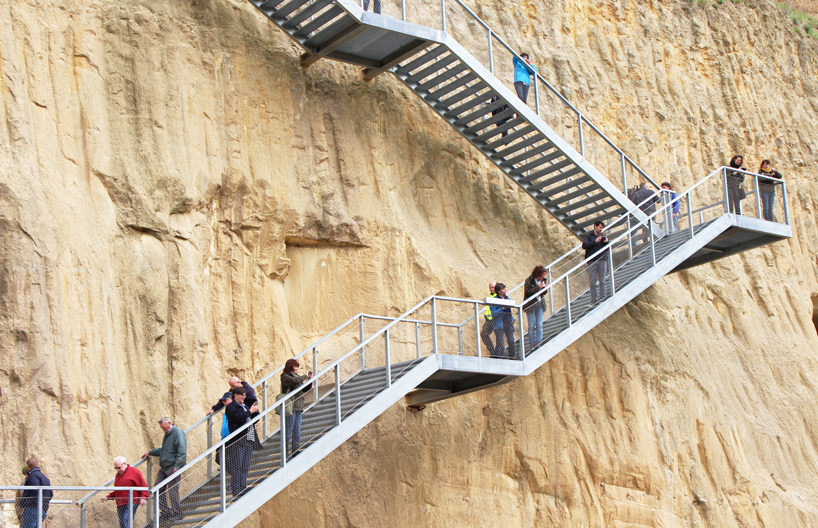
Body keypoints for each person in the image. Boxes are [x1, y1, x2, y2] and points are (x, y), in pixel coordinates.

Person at [142, 417, 186, 523]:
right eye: (161, 427)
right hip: (165, 467)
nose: (163, 429)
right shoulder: (167, 434)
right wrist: (150, 452)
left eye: (163, 427)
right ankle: (165, 512)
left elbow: (182, 449)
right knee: (157, 488)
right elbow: (164, 450)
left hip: (173, 467)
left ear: (169, 423)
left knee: (172, 491)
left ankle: (178, 514)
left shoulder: (177, 432)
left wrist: (178, 466)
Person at [225, 386, 260, 498]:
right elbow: (237, 418)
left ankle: (243, 487)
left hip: (249, 439)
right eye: (242, 395)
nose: (244, 397)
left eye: (245, 395)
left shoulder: (244, 406)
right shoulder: (231, 407)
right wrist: (250, 411)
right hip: (239, 439)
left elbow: (251, 419)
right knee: (237, 465)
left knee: (245, 465)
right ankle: (236, 489)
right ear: (235, 395)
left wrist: (255, 412)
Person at [102, 457, 148, 528]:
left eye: (119, 467)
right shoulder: (118, 475)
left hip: (132, 501)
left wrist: (143, 497)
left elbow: (143, 485)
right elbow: (118, 490)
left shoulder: (134, 472)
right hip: (120, 502)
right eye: (116, 468)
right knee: (122, 522)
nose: (117, 470)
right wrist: (108, 497)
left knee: (126, 520)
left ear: (124, 464)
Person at [281, 359, 314, 457]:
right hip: (290, 407)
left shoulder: (297, 377)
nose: (296, 368)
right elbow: (293, 381)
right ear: (290, 366)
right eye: (295, 366)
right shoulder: (285, 376)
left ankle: (295, 451)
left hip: (299, 406)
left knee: (297, 431)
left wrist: (310, 379)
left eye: (297, 366)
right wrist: (305, 376)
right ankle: (285, 454)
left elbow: (305, 389)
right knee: (288, 432)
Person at [582, 221, 610, 305]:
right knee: (592, 282)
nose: (601, 229)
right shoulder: (589, 235)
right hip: (592, 260)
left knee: (602, 280)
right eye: (600, 227)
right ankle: (593, 301)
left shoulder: (602, 237)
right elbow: (584, 245)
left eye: (602, 228)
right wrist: (595, 241)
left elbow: (606, 249)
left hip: (602, 260)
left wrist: (606, 243)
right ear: (595, 226)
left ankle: (602, 299)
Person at [20, 457, 52, 528]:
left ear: (28, 467)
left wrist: (24, 502)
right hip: (43, 509)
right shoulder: (45, 478)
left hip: (32, 509)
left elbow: (35, 490)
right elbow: (51, 494)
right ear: (37, 465)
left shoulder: (32, 476)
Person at [489, 283, 516, 359]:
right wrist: (502, 308)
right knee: (500, 343)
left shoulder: (507, 299)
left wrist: (512, 319)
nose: (505, 290)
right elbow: (493, 313)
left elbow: (510, 311)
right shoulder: (494, 300)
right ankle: (497, 358)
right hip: (499, 324)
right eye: (503, 289)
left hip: (508, 323)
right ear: (499, 291)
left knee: (511, 340)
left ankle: (512, 356)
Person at [523, 266, 547, 347]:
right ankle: (532, 344)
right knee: (531, 326)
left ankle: (539, 342)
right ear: (538, 274)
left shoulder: (543, 280)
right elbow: (527, 292)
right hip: (530, 305)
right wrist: (538, 287)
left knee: (539, 324)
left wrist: (544, 287)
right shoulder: (529, 280)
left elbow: (544, 293)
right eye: (542, 274)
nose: (543, 276)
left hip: (540, 304)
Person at [480, 282, 497, 355]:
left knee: (499, 338)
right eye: (490, 287)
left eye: (493, 287)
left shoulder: (499, 296)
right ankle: (492, 351)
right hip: (489, 320)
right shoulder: (489, 296)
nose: (491, 289)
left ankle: (501, 353)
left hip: (497, 319)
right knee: (484, 333)